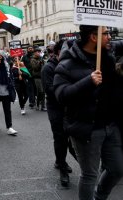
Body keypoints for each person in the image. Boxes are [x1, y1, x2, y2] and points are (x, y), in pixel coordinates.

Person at [54, 25, 123, 200]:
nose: (110, 37)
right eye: (106, 33)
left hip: (111, 126)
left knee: (117, 169)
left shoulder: (108, 53)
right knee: (90, 174)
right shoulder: (67, 63)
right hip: (86, 128)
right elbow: (61, 95)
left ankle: (99, 197)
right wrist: (88, 81)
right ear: (94, 37)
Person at [41, 40, 76, 187]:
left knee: (72, 137)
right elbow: (50, 90)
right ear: (57, 52)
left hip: (71, 108)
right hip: (56, 107)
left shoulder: (73, 65)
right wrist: (70, 91)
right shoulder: (48, 68)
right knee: (60, 137)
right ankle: (62, 168)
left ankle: (60, 161)